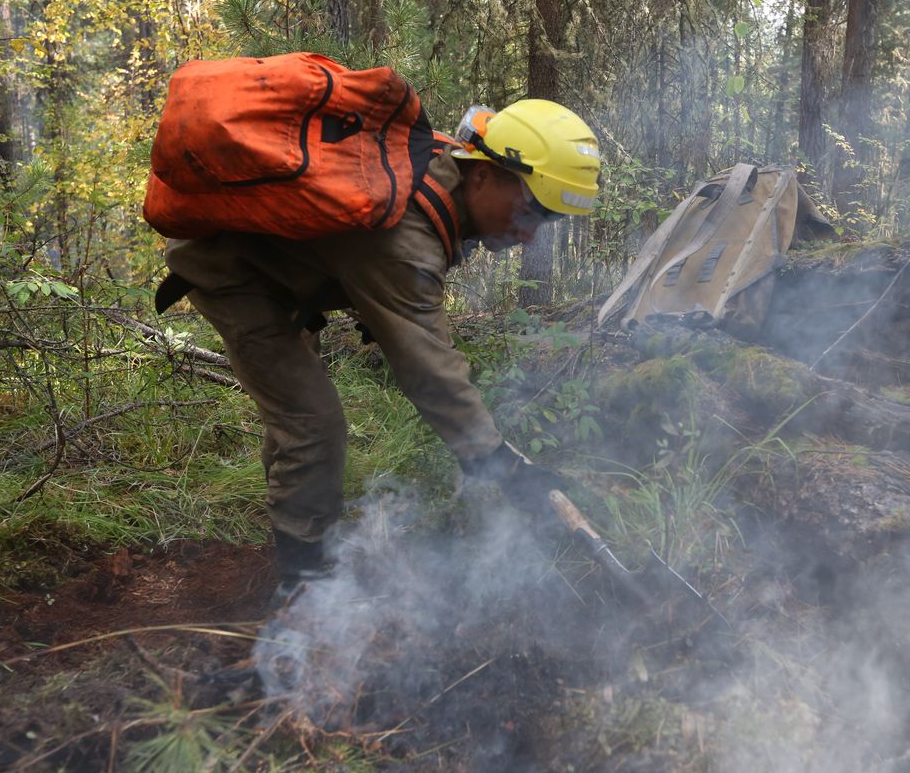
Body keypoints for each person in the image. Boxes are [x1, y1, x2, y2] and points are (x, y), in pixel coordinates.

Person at [156, 99, 601, 600]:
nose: (527, 234)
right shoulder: (407, 236)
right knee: (313, 424)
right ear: (484, 176)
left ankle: (297, 533)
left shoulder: (440, 176)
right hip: (232, 273)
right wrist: (498, 463)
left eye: (545, 221)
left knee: (299, 418)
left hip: (277, 269)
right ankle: (304, 586)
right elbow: (430, 370)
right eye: (528, 211)